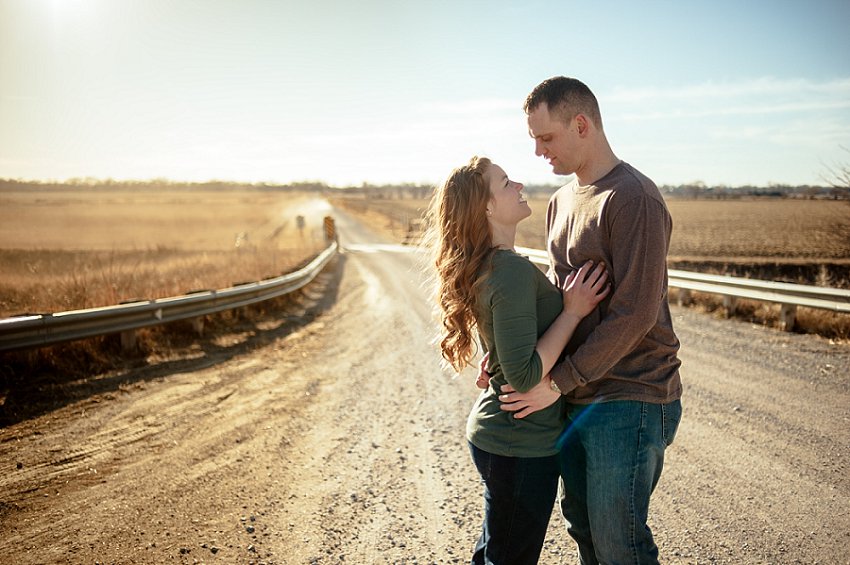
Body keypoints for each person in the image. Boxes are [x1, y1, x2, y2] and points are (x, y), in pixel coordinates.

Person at [494, 76, 684, 564]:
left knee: (620, 542)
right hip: (577, 396)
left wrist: (556, 382)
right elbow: (560, 304)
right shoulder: (561, 202)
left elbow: (636, 313)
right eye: (533, 139)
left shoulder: (633, 197)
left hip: (630, 393)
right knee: (586, 532)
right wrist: (503, 360)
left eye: (546, 137)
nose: (538, 151)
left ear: (582, 124)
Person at [427, 155, 610, 564]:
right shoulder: (506, 270)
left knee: (497, 550)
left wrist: (500, 352)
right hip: (518, 445)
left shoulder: (495, 265)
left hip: (510, 439)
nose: (519, 185)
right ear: (487, 207)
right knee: (508, 558)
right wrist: (573, 312)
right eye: (506, 182)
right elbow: (526, 376)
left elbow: (512, 343)